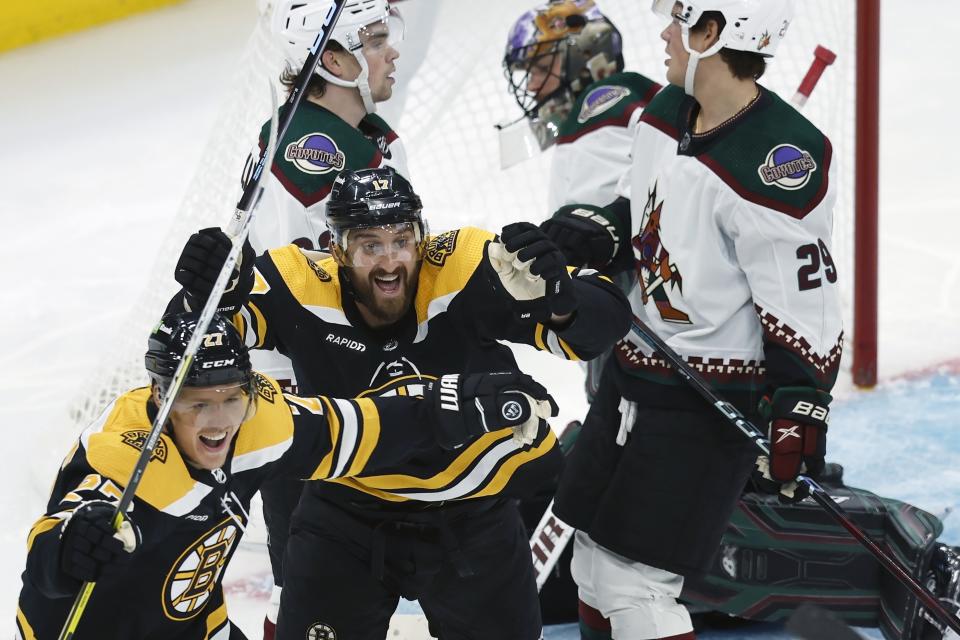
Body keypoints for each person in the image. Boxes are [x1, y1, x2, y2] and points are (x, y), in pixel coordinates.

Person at [169, 165, 632, 639]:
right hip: (346, 516)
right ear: (335, 249)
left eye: (401, 241)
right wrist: (204, 298)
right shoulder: (297, 280)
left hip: (473, 514)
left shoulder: (465, 264)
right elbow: (185, 351)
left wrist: (563, 301)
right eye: (369, 245)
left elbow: (607, 320)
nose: (389, 261)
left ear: (421, 238)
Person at [543, 1, 845, 638]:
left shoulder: (781, 157)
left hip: (705, 405)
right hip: (630, 378)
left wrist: (797, 409)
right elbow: (647, 215)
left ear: (714, 32)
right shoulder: (664, 114)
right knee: (593, 568)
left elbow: (803, 301)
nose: (663, 34)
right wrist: (591, 233)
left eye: (678, 21)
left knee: (637, 587)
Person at [15, 311, 555, 640]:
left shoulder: (257, 424)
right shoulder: (127, 462)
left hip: (198, 626)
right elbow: (54, 547)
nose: (218, 421)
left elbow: (360, 427)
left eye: (230, 398)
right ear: (160, 398)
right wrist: (69, 549)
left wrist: (465, 405)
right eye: (198, 404)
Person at [244, 1, 408, 633]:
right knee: (321, 602)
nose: (390, 50)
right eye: (372, 41)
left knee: (334, 593)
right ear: (333, 61)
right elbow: (343, 291)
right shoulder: (319, 149)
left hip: (321, 399)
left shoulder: (331, 133)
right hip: (312, 407)